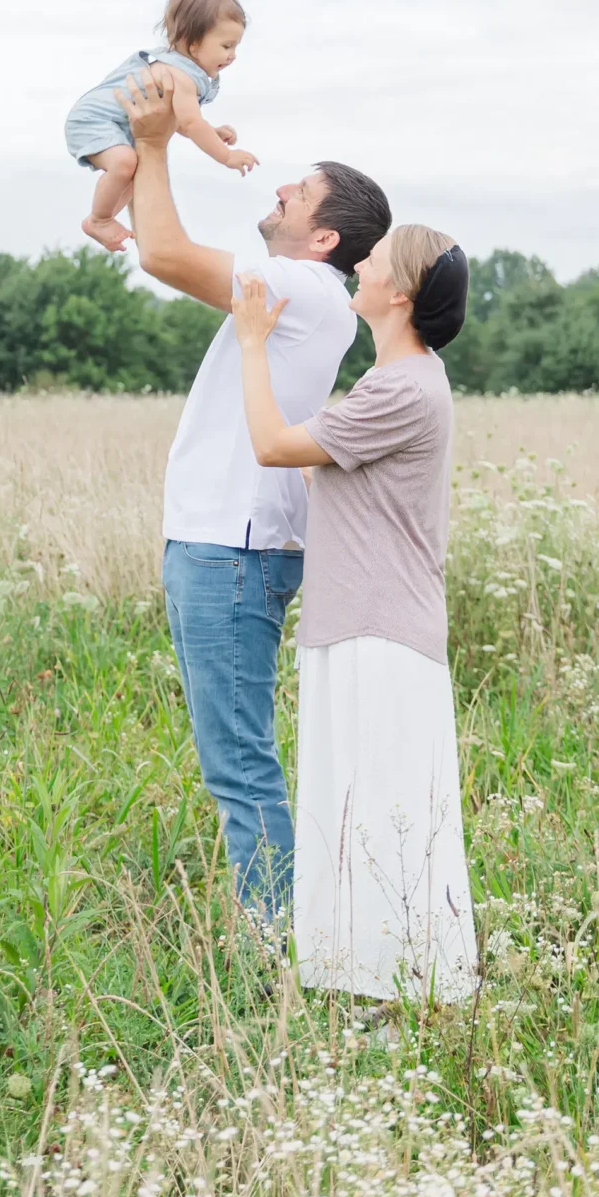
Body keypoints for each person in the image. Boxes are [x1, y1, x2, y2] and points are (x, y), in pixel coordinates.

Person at [119, 66, 391, 928]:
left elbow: (162, 255)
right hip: (225, 545)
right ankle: (284, 930)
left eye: (299, 193)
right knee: (235, 759)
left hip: (230, 550)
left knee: (238, 764)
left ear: (323, 238)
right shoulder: (305, 294)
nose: (279, 189)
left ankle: (278, 946)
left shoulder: (301, 289)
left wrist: (154, 144)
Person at [231, 229, 477, 1002]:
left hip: (379, 629)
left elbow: (273, 446)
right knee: (359, 810)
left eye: (373, 260)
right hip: (364, 622)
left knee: (379, 814)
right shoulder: (402, 379)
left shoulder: (400, 388)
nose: (358, 264)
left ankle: (395, 991)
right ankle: (364, 984)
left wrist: (252, 343)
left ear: (399, 294)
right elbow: (333, 477)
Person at [64, 0, 259, 252]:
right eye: (227, 46)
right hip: (93, 120)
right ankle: (99, 219)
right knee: (125, 162)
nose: (232, 56)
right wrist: (226, 156)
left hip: (117, 124)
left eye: (235, 47)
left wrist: (210, 131)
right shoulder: (179, 75)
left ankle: (102, 219)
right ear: (193, 43)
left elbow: (176, 120)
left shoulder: (182, 71)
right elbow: (191, 123)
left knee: (139, 171)